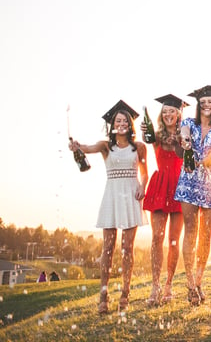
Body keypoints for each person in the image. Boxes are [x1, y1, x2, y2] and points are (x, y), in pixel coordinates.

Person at [69, 100, 148, 314]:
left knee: (127, 248)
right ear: (112, 124)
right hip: (112, 196)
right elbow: (87, 148)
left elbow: (144, 173)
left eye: (125, 121)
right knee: (108, 247)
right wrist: (77, 147)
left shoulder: (139, 147)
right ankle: (103, 296)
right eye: (117, 120)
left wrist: (142, 186)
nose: (121, 123)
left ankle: (125, 293)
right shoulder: (106, 146)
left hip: (131, 197)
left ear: (130, 125)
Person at [174, 85, 211, 306]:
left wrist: (208, 156)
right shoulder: (189, 123)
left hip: (210, 185)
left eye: (210, 101)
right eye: (203, 101)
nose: (206, 104)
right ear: (198, 105)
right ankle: (190, 285)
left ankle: (198, 280)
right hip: (188, 181)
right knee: (191, 230)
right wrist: (185, 141)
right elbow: (183, 133)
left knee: (205, 234)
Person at [142, 94, 188, 306]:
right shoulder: (156, 135)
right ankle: (155, 285)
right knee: (156, 238)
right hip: (160, 185)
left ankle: (169, 284)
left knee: (173, 240)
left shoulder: (185, 135)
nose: (168, 114)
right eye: (165, 111)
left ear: (179, 114)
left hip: (179, 186)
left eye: (172, 111)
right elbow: (147, 137)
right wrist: (145, 130)